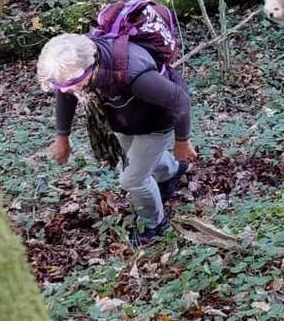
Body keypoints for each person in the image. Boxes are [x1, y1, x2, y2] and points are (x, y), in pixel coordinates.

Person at [37, 22, 197, 246]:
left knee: (132, 178)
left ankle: (154, 224)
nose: (65, 90)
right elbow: (65, 95)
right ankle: (171, 172)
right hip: (123, 119)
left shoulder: (132, 71)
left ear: (91, 66)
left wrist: (183, 141)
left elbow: (179, 100)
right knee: (135, 159)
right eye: (61, 85)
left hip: (156, 120)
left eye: (71, 84)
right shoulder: (76, 69)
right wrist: (62, 136)